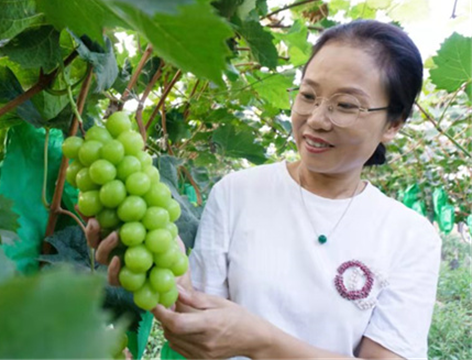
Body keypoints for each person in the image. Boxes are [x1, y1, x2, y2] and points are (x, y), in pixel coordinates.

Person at [86, 19, 442, 359]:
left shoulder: (411, 237)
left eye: (345, 105)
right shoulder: (237, 192)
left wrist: (260, 341)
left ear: (393, 124)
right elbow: (199, 320)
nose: (316, 120)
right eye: (308, 95)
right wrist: (165, 270)